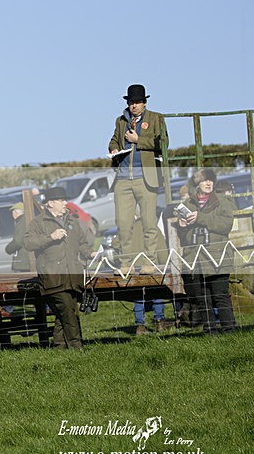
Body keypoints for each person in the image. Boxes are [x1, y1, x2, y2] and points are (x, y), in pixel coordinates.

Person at [24, 187, 95, 349]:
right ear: (50, 203)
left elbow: (83, 245)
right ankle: (76, 347)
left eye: (65, 200)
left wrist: (91, 253)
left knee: (64, 313)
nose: (65, 203)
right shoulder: (38, 223)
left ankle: (59, 346)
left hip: (72, 277)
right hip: (52, 278)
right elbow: (28, 244)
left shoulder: (73, 222)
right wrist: (51, 237)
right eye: (61, 200)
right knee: (69, 312)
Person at [108, 84, 168, 274]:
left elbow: (163, 143)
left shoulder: (156, 118)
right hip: (123, 179)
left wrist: (138, 141)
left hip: (146, 178)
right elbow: (113, 140)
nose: (134, 106)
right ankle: (126, 263)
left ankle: (149, 262)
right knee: (123, 224)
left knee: (149, 223)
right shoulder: (121, 120)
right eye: (131, 102)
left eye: (137, 102)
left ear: (144, 103)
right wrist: (114, 149)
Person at [176, 169, 236, 334]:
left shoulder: (223, 201)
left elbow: (226, 225)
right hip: (196, 258)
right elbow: (185, 238)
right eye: (204, 181)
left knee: (220, 294)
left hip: (218, 255)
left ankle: (229, 329)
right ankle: (209, 329)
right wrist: (182, 227)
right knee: (203, 298)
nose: (209, 183)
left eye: (211, 180)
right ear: (197, 184)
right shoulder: (188, 205)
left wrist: (200, 218)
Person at [4, 202, 31, 273]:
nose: (12, 215)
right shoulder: (26, 220)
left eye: (12, 213)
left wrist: (8, 249)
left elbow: (18, 242)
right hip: (27, 259)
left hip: (25, 260)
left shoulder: (21, 222)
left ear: (16, 212)